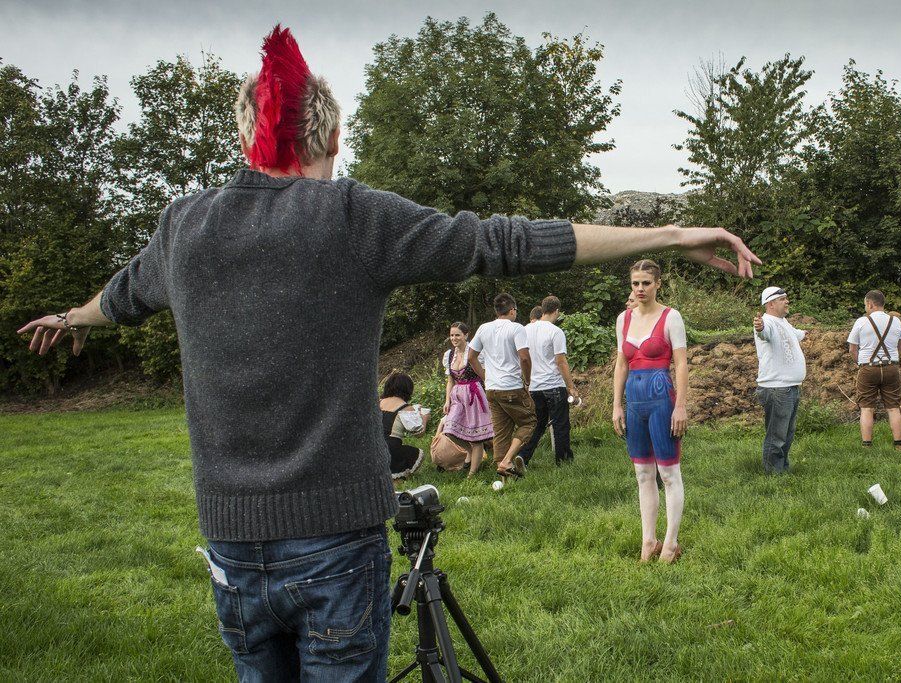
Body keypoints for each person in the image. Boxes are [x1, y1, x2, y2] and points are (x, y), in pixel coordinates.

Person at [16, 24, 761, 679]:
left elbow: (122, 296)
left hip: (231, 547)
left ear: (248, 137)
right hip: (335, 543)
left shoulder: (184, 227)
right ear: (332, 138)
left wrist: (70, 316)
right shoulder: (349, 216)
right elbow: (501, 242)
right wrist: (671, 235)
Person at [612, 260, 689, 563]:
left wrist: (680, 406)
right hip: (634, 402)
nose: (640, 288)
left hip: (662, 400)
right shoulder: (623, 319)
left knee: (668, 473)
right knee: (643, 473)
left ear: (658, 283)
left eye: (646, 283)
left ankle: (670, 543)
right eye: (635, 283)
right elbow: (621, 363)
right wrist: (616, 405)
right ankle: (648, 541)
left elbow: (681, 364)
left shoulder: (671, 317)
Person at [467, 293, 535, 477]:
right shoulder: (516, 328)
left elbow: (471, 357)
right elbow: (524, 358)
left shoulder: (484, 328)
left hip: (492, 389)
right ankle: (507, 461)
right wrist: (527, 380)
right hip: (511, 386)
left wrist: (485, 377)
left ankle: (504, 473)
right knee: (529, 422)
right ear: (512, 310)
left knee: (501, 431)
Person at [519, 295, 579, 467]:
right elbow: (561, 361)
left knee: (537, 425)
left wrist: (526, 381)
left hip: (534, 386)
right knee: (561, 424)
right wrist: (570, 386)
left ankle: (523, 456)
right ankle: (563, 461)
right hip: (554, 385)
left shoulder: (525, 330)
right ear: (557, 311)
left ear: (542, 309)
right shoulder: (555, 331)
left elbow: (522, 358)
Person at [753, 286, 807, 474]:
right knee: (777, 435)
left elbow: (797, 334)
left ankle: (782, 468)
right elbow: (763, 332)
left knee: (787, 434)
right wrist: (759, 327)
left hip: (790, 387)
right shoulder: (767, 322)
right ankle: (773, 475)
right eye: (783, 299)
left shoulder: (783, 322)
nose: (787, 301)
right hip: (777, 388)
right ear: (770, 304)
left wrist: (806, 333)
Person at [847, 290, 901, 450]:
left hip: (868, 368)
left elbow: (852, 349)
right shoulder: (896, 321)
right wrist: (892, 360)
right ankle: (899, 445)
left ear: (870, 304)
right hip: (891, 367)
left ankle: (867, 445)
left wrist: (861, 363)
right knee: (893, 407)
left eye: (865, 305)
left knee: (867, 408)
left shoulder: (861, 322)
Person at [442, 322, 493, 476]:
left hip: (474, 394)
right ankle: (470, 452)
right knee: (450, 430)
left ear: (466, 335)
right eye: (452, 335)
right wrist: (447, 400)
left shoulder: (475, 352)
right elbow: (450, 381)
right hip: (457, 395)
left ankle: (472, 474)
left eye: (457, 335)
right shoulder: (449, 355)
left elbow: (485, 374)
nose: (454, 338)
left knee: (476, 436)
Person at [380, 372, 428, 479]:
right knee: (417, 453)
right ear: (408, 390)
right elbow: (418, 433)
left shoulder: (378, 402)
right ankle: (397, 476)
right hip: (390, 450)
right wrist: (424, 417)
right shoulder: (405, 408)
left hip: (373, 447)